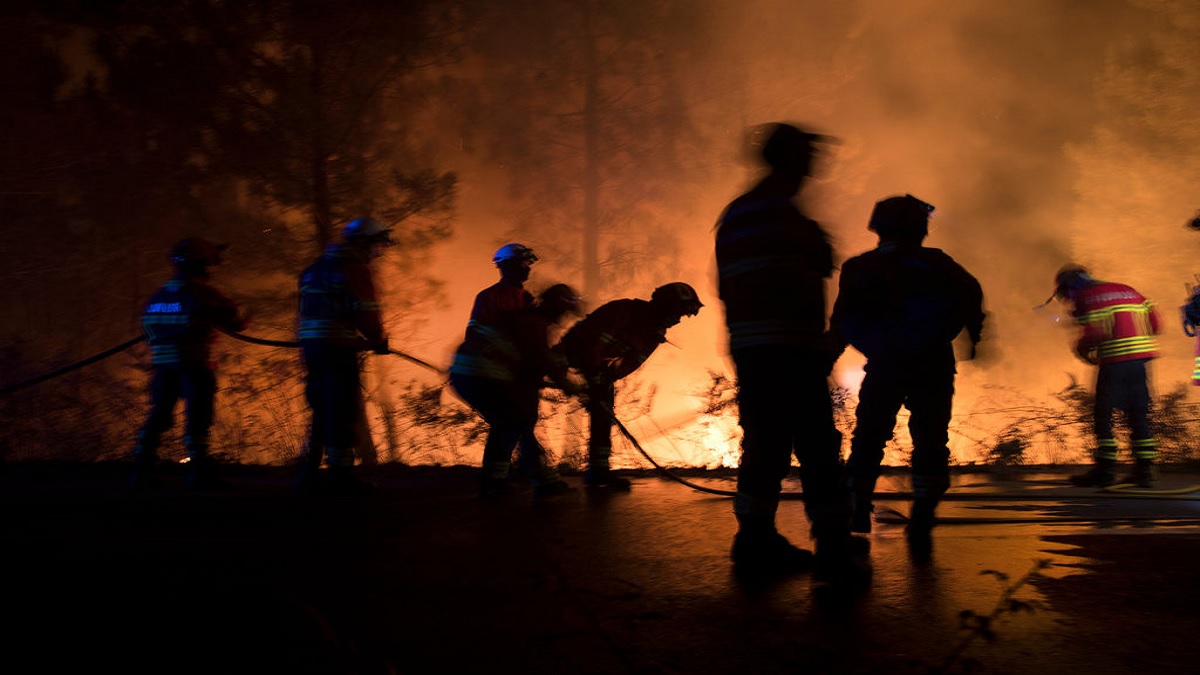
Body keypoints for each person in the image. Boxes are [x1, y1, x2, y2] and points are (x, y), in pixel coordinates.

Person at [714, 122, 861, 581]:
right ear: (794, 161)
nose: (815, 165)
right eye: (808, 156)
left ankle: (754, 537)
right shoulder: (787, 218)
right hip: (789, 346)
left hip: (752, 346)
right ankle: (833, 540)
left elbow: (728, 286)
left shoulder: (737, 214)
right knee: (816, 442)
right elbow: (809, 271)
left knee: (764, 440)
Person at [829, 195, 985, 551]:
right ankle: (923, 519)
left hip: (884, 364)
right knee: (930, 441)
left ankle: (856, 509)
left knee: (869, 437)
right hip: (932, 364)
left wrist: (834, 353)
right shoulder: (937, 263)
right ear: (919, 228)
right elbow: (970, 296)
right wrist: (974, 336)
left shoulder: (859, 267)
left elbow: (843, 320)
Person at [554, 282, 703, 489]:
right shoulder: (625, 310)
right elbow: (596, 343)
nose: (678, 320)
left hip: (599, 367)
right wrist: (596, 375)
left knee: (604, 413)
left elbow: (631, 363)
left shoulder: (654, 333)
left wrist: (606, 379)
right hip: (568, 354)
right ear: (665, 305)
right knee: (522, 410)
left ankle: (599, 472)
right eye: (678, 312)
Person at [130, 237, 248, 490]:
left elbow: (147, 326)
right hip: (194, 363)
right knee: (198, 418)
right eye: (211, 263)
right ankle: (200, 474)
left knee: (159, 416)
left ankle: (141, 471)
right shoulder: (200, 290)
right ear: (202, 264)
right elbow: (233, 318)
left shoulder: (160, 294)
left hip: (164, 366)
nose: (213, 269)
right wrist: (244, 313)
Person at [449, 283, 582, 499]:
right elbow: (539, 359)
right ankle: (536, 479)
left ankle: (495, 482)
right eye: (566, 311)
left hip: (472, 374)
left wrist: (561, 381)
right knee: (517, 421)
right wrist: (569, 385)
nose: (566, 317)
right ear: (557, 307)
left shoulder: (530, 320)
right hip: (481, 376)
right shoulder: (535, 323)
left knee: (509, 424)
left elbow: (535, 364)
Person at [296, 217, 393, 494]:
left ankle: (308, 472)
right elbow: (365, 311)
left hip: (312, 349)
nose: (377, 252)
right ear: (362, 242)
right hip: (338, 350)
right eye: (376, 245)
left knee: (321, 409)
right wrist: (377, 339)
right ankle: (340, 476)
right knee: (342, 410)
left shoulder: (314, 269)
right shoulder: (354, 269)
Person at [1055, 264, 1161, 488]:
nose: (1070, 299)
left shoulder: (1087, 296)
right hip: (1140, 362)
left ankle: (1106, 469)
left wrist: (1081, 349)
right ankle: (1145, 470)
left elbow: (1093, 333)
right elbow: (1156, 324)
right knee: (1138, 413)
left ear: (1072, 285)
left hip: (1114, 363)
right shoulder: (1128, 289)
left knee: (1104, 414)